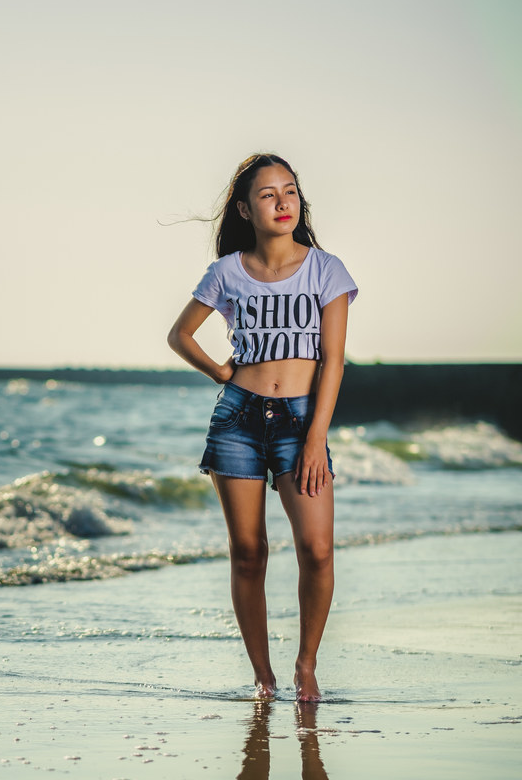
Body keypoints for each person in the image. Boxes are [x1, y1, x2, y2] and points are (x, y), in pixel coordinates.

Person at [167, 153, 357, 702]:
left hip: (302, 422)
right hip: (238, 418)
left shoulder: (327, 270)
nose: (282, 203)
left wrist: (317, 436)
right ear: (246, 209)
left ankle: (305, 666)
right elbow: (180, 336)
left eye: (291, 191)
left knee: (317, 549)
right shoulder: (226, 272)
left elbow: (334, 362)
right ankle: (263, 677)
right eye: (269, 195)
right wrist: (223, 372)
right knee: (248, 551)